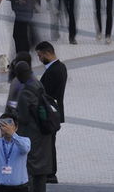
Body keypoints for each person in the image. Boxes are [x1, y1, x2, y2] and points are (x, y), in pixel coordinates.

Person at [12, 62, 53, 192]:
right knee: (41, 172)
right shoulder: (37, 83)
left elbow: (23, 118)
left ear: (20, 74)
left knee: (28, 170)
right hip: (44, 133)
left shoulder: (24, 92)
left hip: (32, 136)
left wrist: (13, 114)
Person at [35, 41, 67, 183]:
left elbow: (44, 93)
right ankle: (50, 171)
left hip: (50, 114)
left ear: (47, 53)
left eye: (40, 55)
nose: (39, 59)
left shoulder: (53, 71)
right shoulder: (61, 67)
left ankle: (50, 173)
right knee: (50, 143)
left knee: (48, 144)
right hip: (55, 112)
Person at [0, 114, 31, 191]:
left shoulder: (25, 140)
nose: (6, 127)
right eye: (3, 124)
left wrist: (12, 134)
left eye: (9, 124)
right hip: (1, 187)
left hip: (20, 187)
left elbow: (24, 149)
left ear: (16, 127)